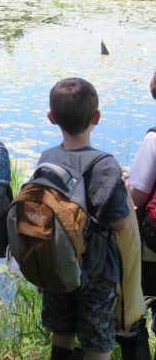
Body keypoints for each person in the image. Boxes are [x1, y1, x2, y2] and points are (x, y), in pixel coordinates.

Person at [38, 78, 132, 360]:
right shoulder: (105, 164)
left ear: (52, 118)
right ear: (97, 118)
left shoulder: (47, 157)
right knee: (97, 342)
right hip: (96, 273)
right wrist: (124, 194)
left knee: (62, 332)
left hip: (56, 265)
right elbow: (119, 223)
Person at [122, 69, 156, 360]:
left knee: (135, 310)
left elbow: (138, 196)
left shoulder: (154, 139)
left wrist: (125, 184)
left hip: (152, 249)